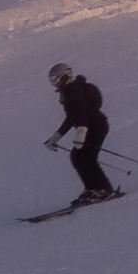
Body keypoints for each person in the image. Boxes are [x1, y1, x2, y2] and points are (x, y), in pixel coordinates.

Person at [44, 62, 115, 205]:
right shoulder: (68, 91)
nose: (54, 84)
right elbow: (72, 117)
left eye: (55, 80)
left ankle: (104, 190)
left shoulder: (73, 91)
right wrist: (56, 137)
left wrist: (81, 131)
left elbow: (81, 112)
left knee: (87, 158)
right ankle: (91, 188)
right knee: (77, 157)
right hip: (92, 126)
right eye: (52, 81)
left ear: (64, 76)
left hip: (96, 126)